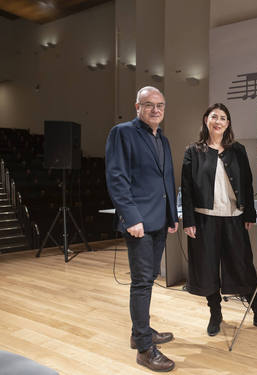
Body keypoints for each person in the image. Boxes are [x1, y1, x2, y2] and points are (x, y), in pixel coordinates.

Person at [181, 103, 257, 337]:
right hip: (204, 220)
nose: (218, 121)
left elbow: (247, 183)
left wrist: (248, 213)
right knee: (207, 270)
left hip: (233, 220)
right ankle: (215, 315)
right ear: (206, 119)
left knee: (243, 267)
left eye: (223, 118)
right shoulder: (193, 151)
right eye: (214, 116)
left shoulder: (237, 150)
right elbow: (186, 188)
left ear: (228, 124)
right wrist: (189, 220)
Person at [105, 86, 178, 372]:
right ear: (137, 107)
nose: (156, 110)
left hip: (159, 220)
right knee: (141, 282)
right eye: (149, 105)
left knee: (148, 278)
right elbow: (117, 177)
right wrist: (131, 217)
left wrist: (172, 215)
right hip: (139, 223)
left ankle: (140, 333)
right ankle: (145, 350)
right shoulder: (122, 132)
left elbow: (167, 179)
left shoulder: (163, 138)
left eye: (160, 105)